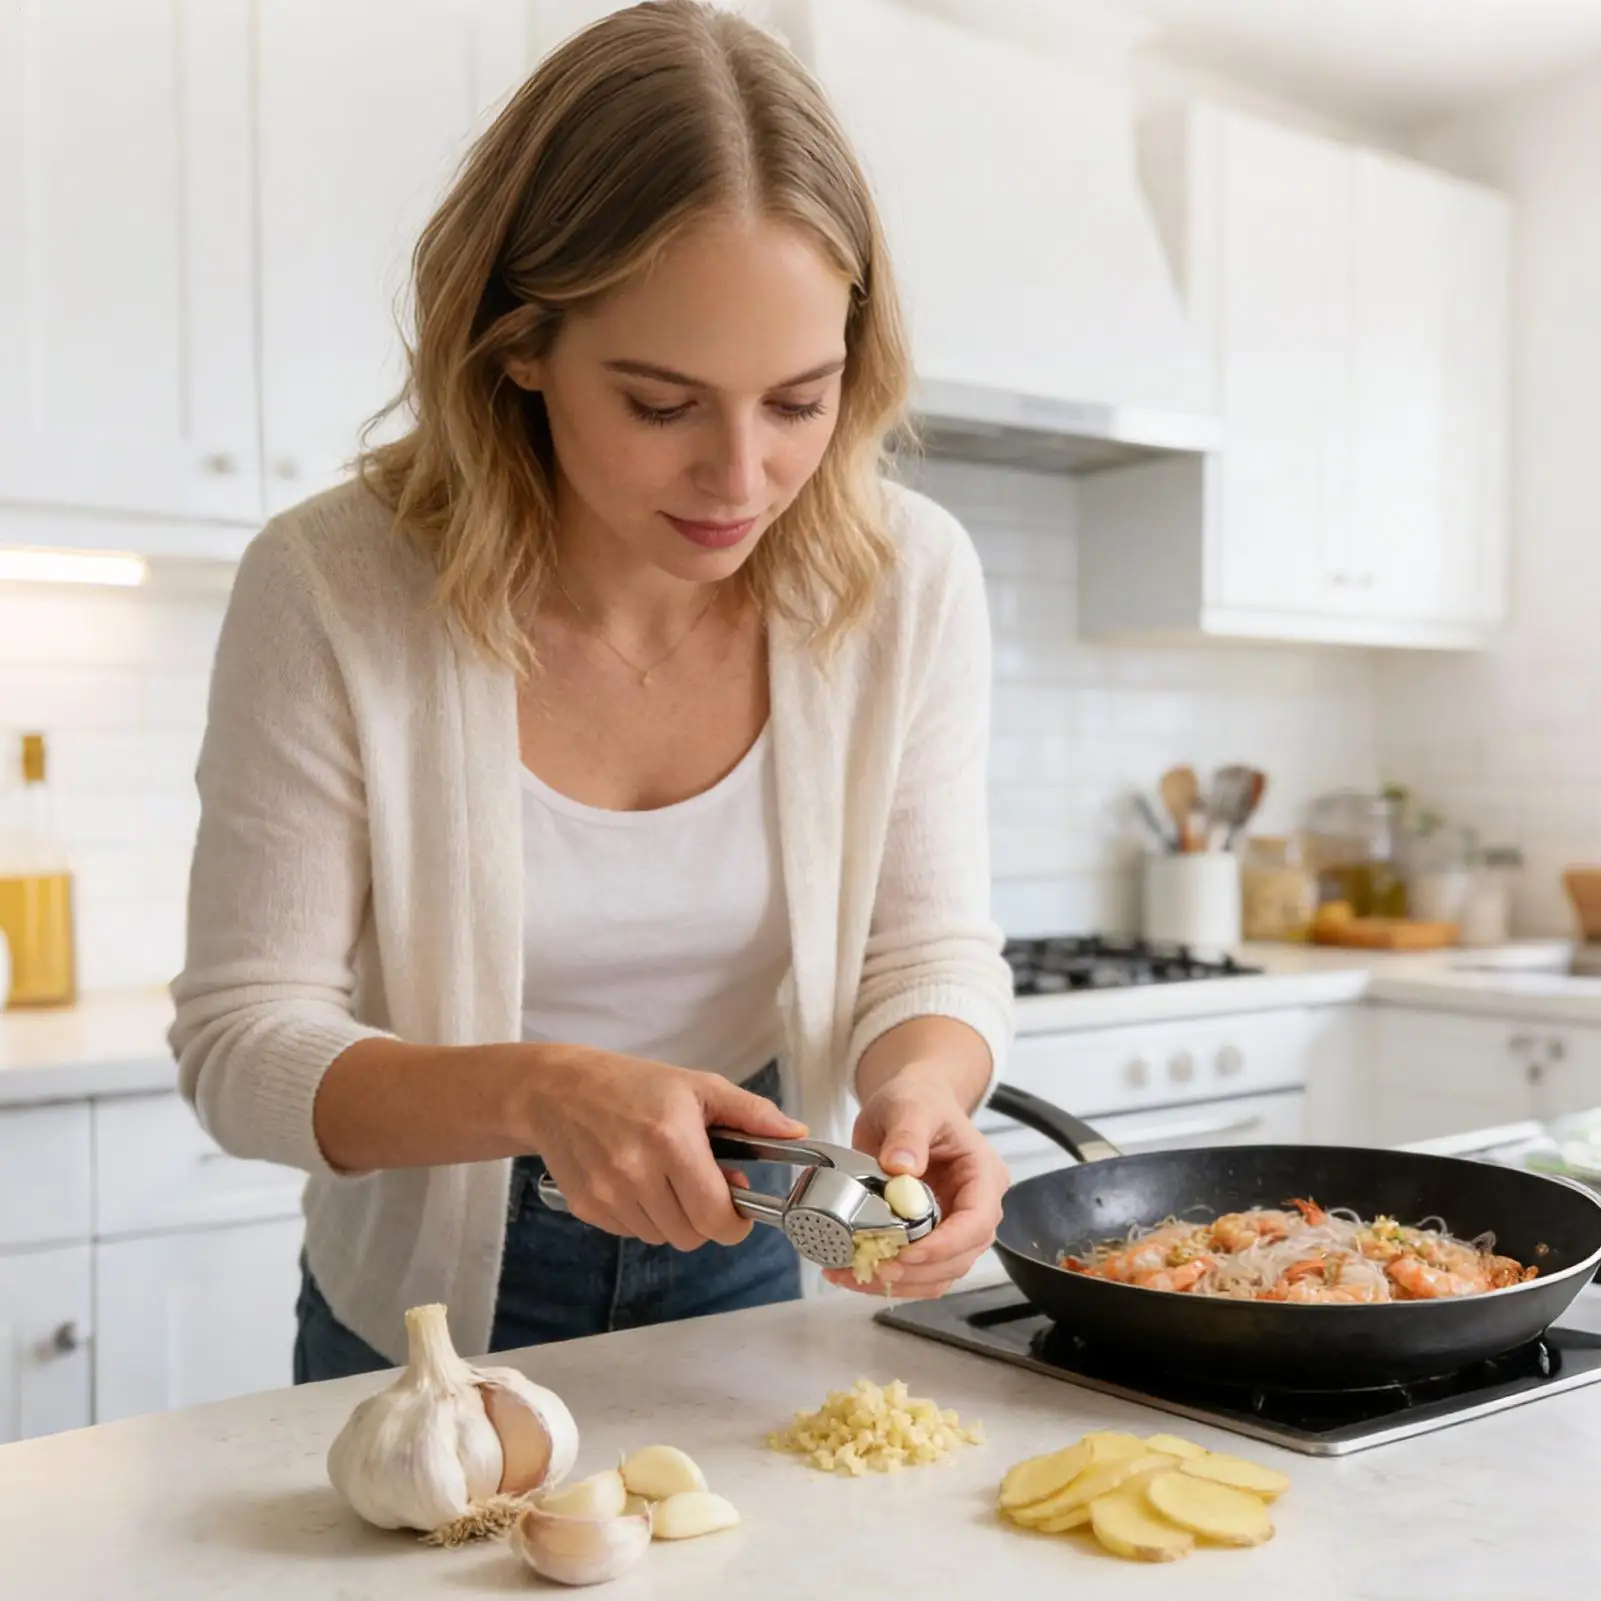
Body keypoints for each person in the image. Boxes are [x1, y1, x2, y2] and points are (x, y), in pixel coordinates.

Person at [169, 0, 1014, 1382]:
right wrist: (543, 1091)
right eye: (663, 405)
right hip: (426, 1308)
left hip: (762, 1250)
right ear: (518, 344)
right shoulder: (332, 584)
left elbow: (929, 953)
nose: (739, 480)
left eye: (797, 403)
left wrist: (920, 1091)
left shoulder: (908, 579)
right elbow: (242, 1044)